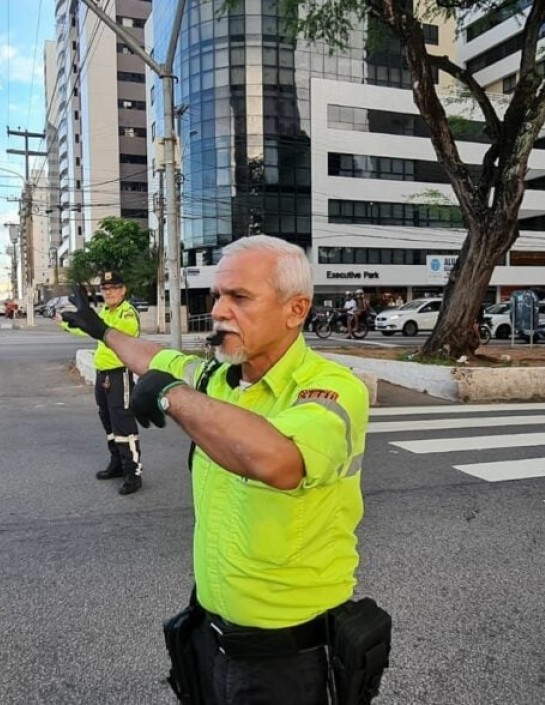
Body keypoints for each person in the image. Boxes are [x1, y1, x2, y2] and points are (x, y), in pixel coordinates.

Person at [61, 236, 380, 704]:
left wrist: (170, 394)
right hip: (210, 633)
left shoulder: (332, 388)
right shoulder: (217, 377)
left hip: (287, 654)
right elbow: (151, 359)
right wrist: (99, 329)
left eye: (240, 297)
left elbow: (278, 460)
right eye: (217, 296)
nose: (218, 311)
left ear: (295, 310)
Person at [60, 271, 144, 495]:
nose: (109, 292)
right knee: (107, 420)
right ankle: (116, 462)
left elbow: (110, 332)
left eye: (114, 288)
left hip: (119, 373)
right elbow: (88, 327)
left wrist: (89, 321)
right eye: (105, 289)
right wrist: (65, 322)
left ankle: (132, 472)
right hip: (103, 373)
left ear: (123, 290)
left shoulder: (128, 313)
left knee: (123, 423)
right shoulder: (105, 311)